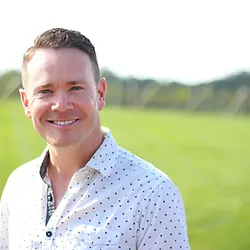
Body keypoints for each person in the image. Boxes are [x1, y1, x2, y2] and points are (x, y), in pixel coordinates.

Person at [0, 28, 190, 250]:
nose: (61, 105)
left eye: (75, 88)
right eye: (45, 91)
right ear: (26, 102)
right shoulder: (18, 185)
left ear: (100, 94)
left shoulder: (154, 194)